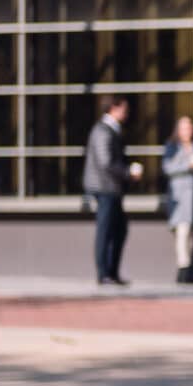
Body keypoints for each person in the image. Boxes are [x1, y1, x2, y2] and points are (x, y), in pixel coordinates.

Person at [82, 95, 141, 285]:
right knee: (106, 231)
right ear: (113, 109)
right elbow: (106, 162)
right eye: (124, 109)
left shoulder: (112, 130)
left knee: (119, 230)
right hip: (105, 188)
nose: (127, 113)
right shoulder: (102, 131)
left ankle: (112, 272)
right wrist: (128, 173)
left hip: (113, 189)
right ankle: (104, 274)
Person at [162, 115, 193, 283]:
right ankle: (183, 269)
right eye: (183, 128)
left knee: (192, 234)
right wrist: (187, 166)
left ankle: (188, 268)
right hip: (179, 196)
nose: (187, 131)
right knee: (182, 232)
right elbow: (167, 168)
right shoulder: (172, 147)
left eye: (189, 127)